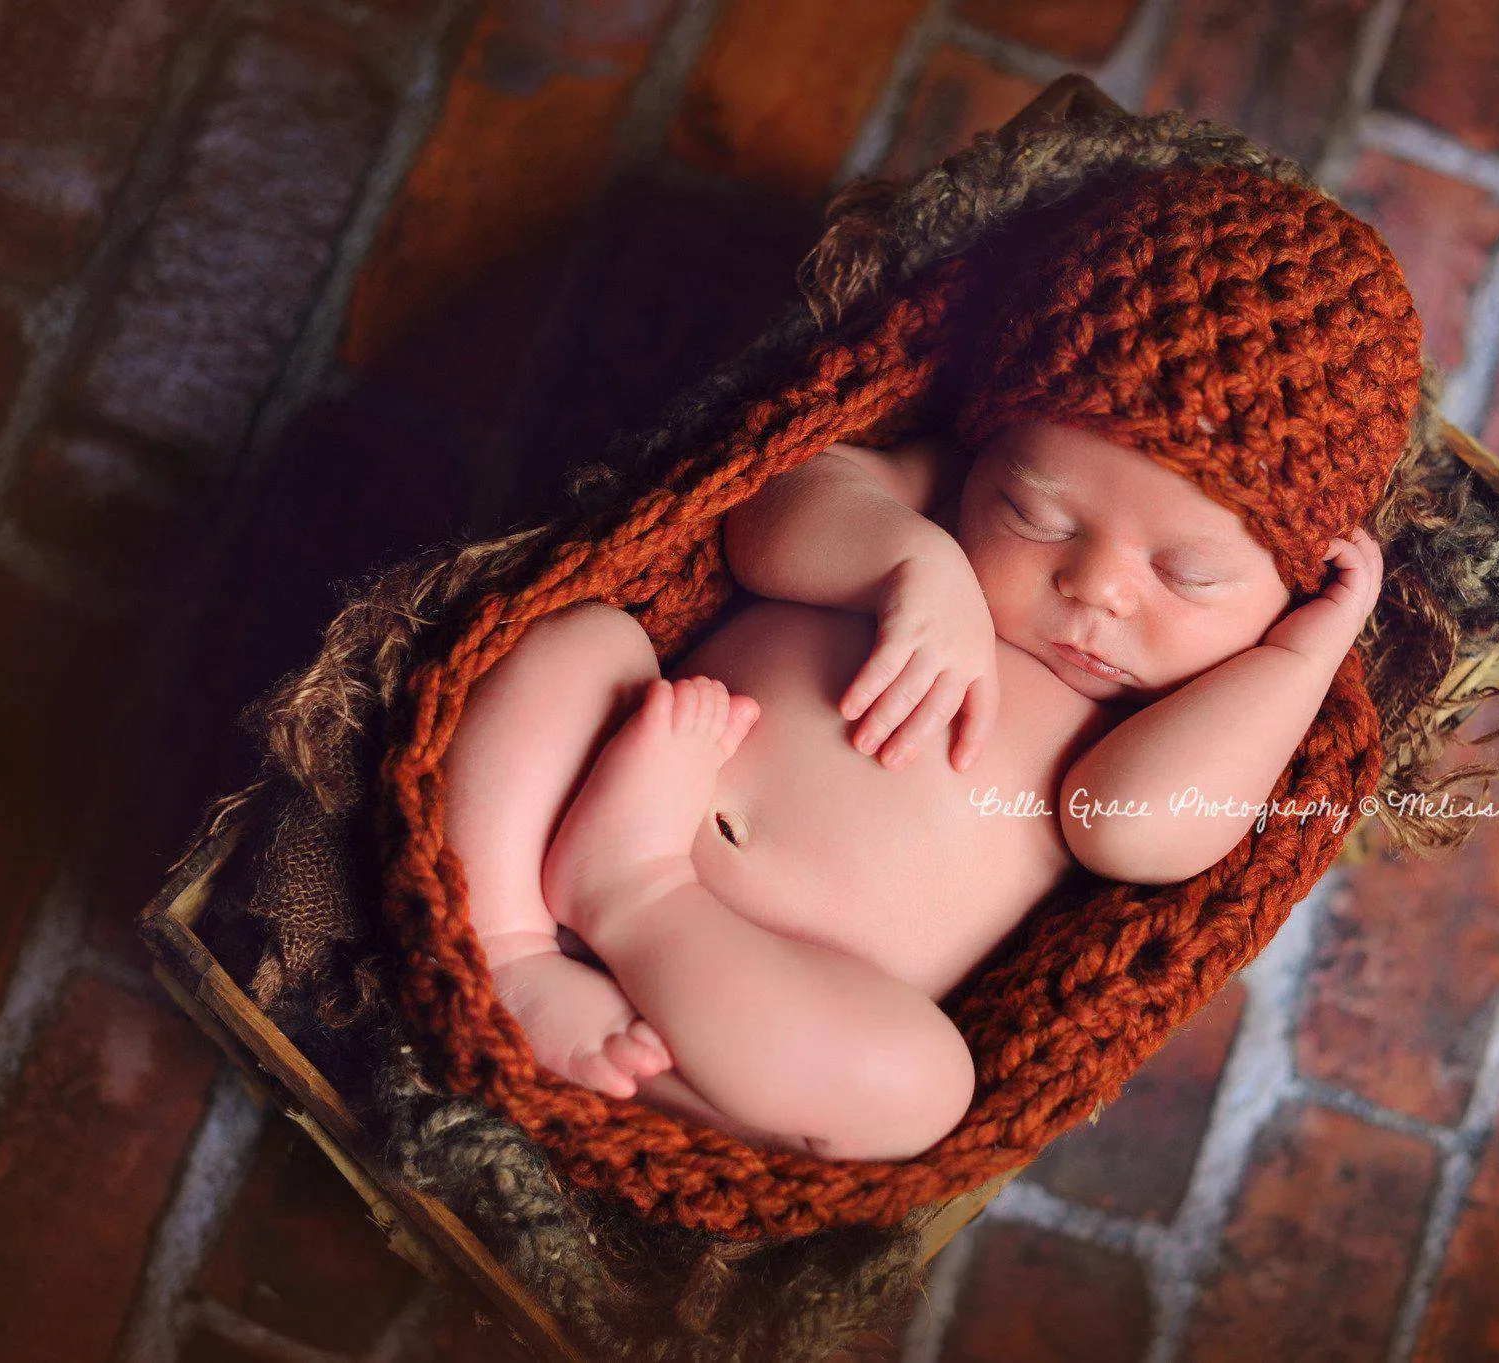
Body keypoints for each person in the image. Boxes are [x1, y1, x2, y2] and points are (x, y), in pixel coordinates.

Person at [439, 163, 1419, 1162]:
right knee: (577, 641)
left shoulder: (1177, 713)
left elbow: (1138, 834)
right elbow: (764, 516)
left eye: (1188, 577)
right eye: (1035, 515)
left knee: (922, 1088)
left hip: (772, 989)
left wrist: (1303, 658)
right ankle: (510, 946)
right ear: (990, 444)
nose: (1094, 586)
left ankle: (634, 938)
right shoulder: (940, 502)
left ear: (1283, 589)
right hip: (623, 775)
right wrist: (910, 561)